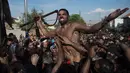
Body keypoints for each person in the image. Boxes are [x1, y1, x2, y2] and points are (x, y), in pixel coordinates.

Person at [36, 8, 129, 73]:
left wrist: (107, 19)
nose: (61, 16)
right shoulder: (57, 31)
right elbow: (46, 33)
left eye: (63, 14)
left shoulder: (74, 25)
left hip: (79, 63)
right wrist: (39, 22)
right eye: (59, 15)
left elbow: (91, 29)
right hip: (66, 64)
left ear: (68, 16)